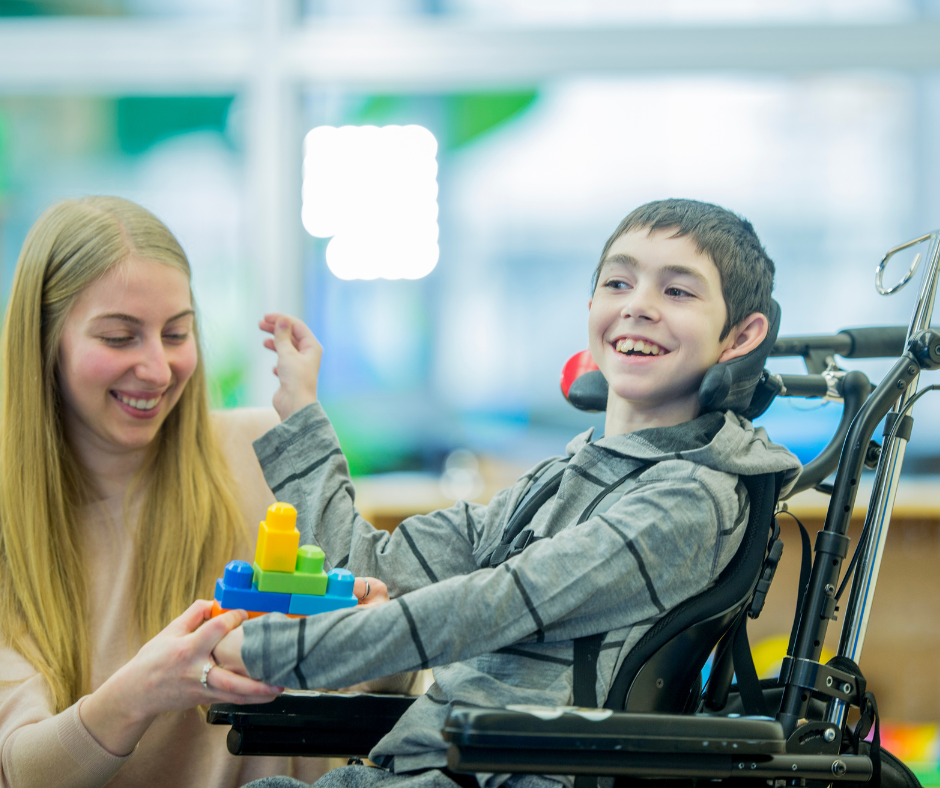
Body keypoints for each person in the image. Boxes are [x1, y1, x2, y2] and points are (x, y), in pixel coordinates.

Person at [213, 198, 803, 788]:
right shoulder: (560, 479)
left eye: (678, 292)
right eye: (618, 282)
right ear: (592, 306)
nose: (638, 306)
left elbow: (496, 603)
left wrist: (276, 650)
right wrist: (301, 414)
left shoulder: (693, 500)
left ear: (741, 336)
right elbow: (365, 567)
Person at [0, 197, 407, 788]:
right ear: (44, 345)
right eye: (119, 337)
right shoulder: (15, 524)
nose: (159, 370)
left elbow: (373, 697)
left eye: (177, 333)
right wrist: (139, 694)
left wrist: (385, 643)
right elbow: (24, 770)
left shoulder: (267, 450)